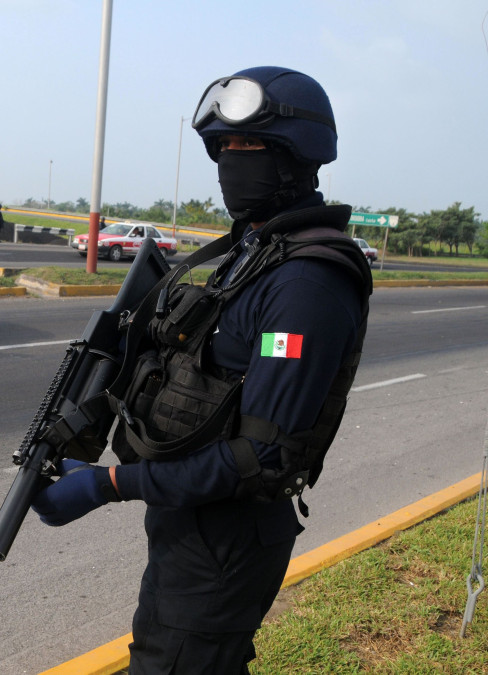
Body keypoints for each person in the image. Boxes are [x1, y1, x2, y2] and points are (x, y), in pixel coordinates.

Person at [30, 66, 370, 673]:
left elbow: (260, 458)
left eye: (250, 147)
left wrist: (110, 485)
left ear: (298, 156)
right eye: (224, 149)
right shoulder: (250, 254)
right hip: (190, 525)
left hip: (229, 539)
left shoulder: (306, 282)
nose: (231, 163)